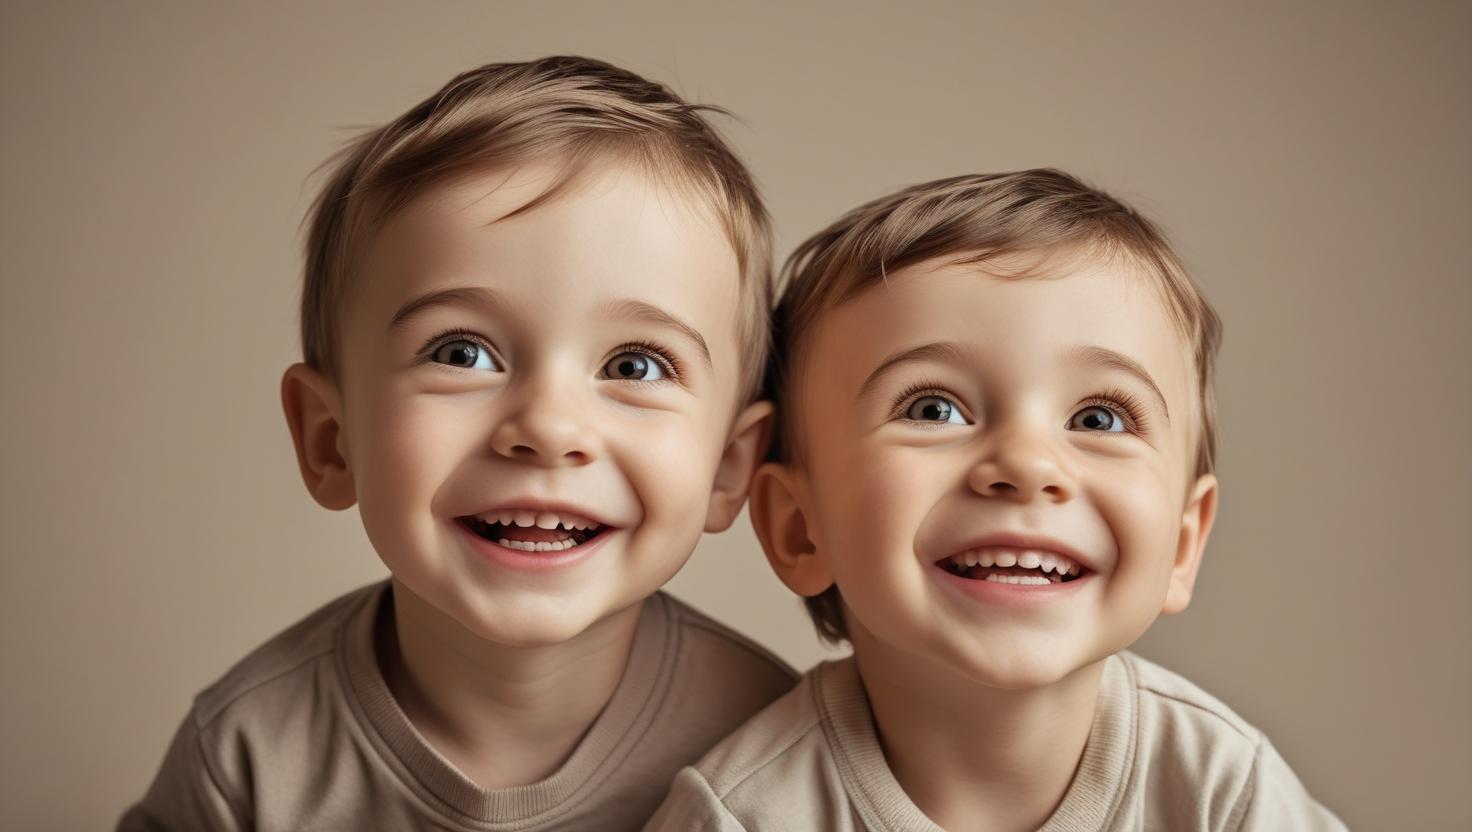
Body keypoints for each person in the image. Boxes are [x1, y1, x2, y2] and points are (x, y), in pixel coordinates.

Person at [119, 55, 796, 831]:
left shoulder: (772, 753)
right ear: (330, 440)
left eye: (634, 365)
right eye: (460, 353)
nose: (547, 427)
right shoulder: (248, 759)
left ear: (729, 466)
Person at [649, 170, 1347, 830]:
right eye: (932, 408)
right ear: (800, 529)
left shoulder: (1223, 792)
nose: (1026, 465)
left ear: (1185, 544)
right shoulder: (745, 814)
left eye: (1099, 418)